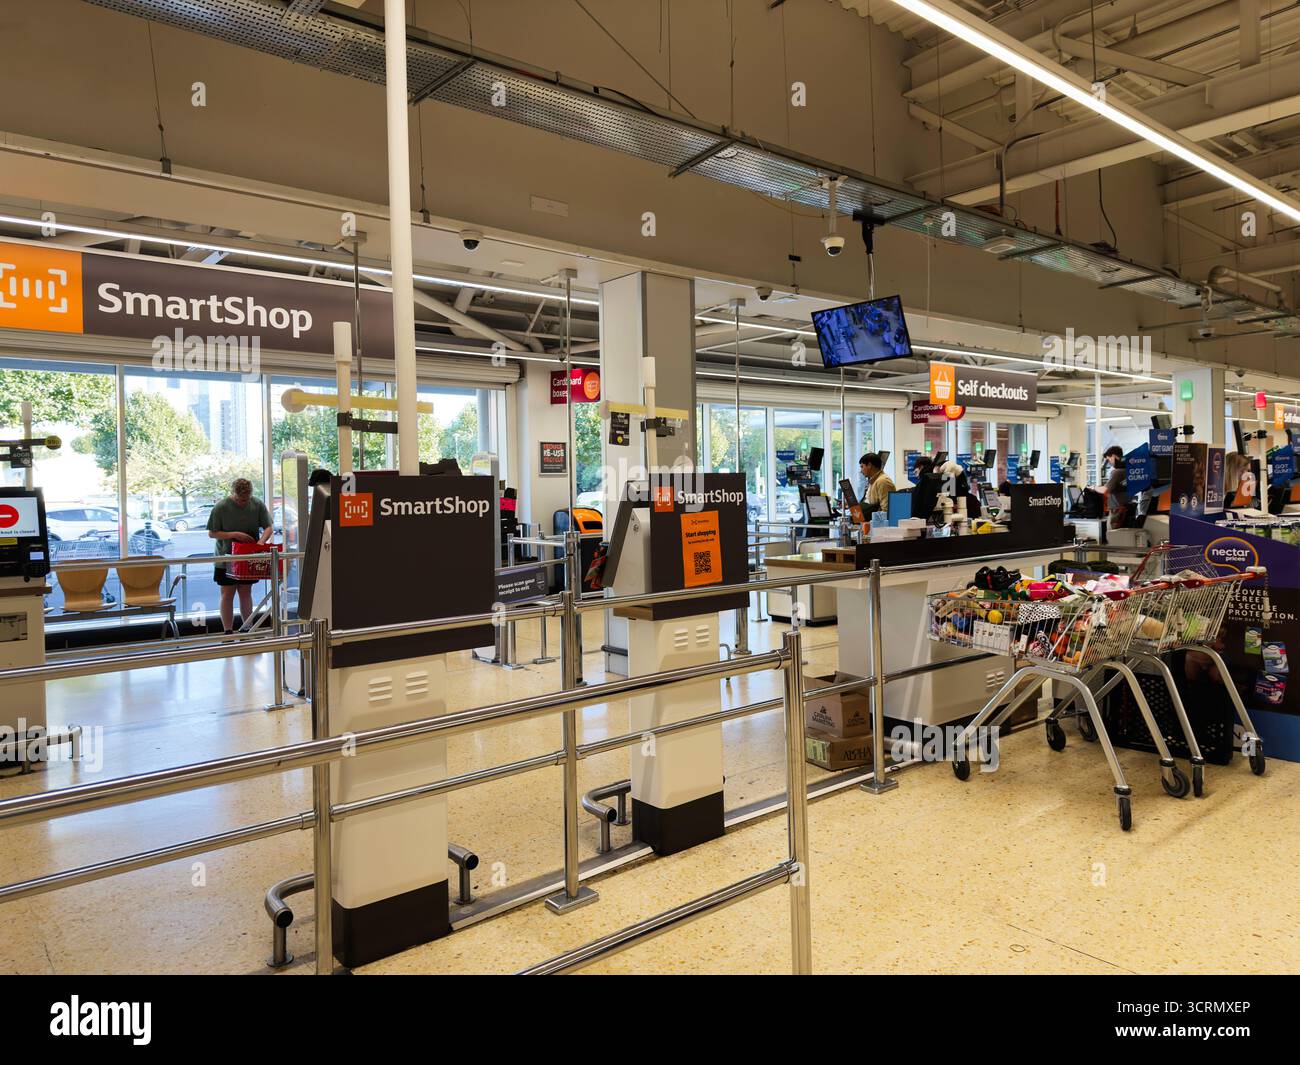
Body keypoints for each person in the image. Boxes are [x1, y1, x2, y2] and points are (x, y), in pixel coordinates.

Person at [207, 477, 273, 634]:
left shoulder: (257, 504)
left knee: (245, 591)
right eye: (240, 499)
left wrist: (261, 542)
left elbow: (268, 527)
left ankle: (247, 627)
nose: (243, 502)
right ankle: (228, 630)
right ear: (233, 494)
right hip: (226, 557)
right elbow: (212, 533)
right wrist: (235, 534)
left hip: (248, 556)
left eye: (246, 499)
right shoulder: (221, 507)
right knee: (227, 593)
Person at [1101, 444, 1129, 528]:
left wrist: (1093, 488)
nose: (1109, 462)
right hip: (1125, 509)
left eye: (1109, 459)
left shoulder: (1117, 472)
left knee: (1112, 536)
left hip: (1116, 511)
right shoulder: (1128, 470)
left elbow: (1104, 490)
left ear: (1113, 456)